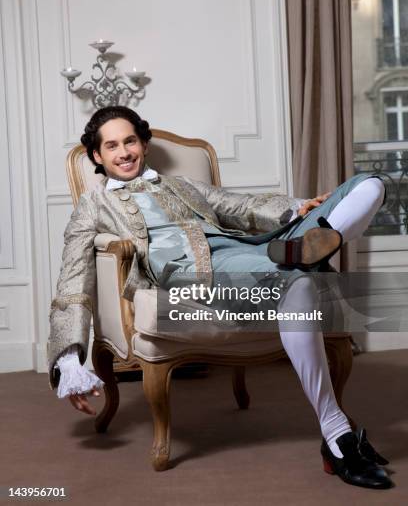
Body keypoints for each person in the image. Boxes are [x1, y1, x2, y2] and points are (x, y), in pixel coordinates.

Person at [48, 106, 392, 489]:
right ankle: (337, 435)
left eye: (130, 141)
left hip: (252, 250)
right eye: (111, 146)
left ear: (143, 144)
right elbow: (73, 277)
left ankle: (307, 249)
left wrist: (298, 207)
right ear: (97, 156)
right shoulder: (94, 205)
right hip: (196, 273)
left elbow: (239, 206)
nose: (124, 152)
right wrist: (68, 358)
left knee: (370, 183)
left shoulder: (180, 184)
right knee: (299, 284)